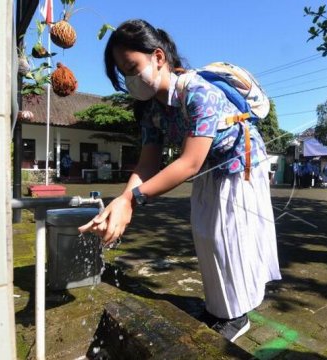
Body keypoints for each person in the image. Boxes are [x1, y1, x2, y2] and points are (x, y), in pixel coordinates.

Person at [78, 19, 281, 342]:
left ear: (158, 57)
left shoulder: (199, 92)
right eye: (123, 73)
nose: (130, 79)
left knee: (227, 237)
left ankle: (236, 314)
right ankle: (219, 307)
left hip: (238, 165)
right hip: (210, 169)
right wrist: (119, 203)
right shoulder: (151, 111)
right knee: (205, 234)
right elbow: (147, 165)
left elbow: (188, 163)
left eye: (133, 67)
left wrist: (132, 200)